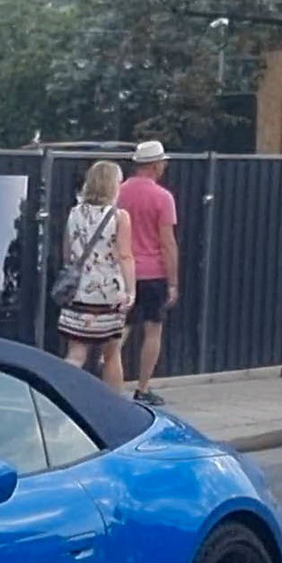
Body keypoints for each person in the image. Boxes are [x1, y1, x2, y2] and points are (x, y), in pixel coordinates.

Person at [57, 159, 136, 384]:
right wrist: (131, 291)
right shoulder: (119, 217)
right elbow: (125, 255)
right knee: (111, 355)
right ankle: (113, 406)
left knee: (76, 353)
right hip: (108, 293)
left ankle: (62, 394)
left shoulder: (74, 213)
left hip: (78, 292)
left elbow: (67, 252)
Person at [117, 141, 182, 406]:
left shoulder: (118, 192)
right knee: (152, 330)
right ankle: (143, 388)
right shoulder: (162, 197)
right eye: (163, 163)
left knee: (119, 329)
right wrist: (173, 282)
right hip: (153, 272)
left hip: (122, 271)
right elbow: (167, 242)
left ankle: (106, 377)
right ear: (156, 165)